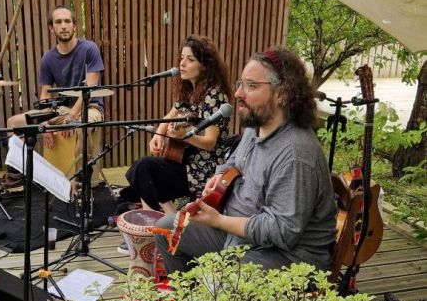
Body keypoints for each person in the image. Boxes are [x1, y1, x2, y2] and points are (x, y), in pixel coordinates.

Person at [155, 46, 337, 274]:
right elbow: (235, 162)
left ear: (282, 93)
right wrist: (219, 177)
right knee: (167, 229)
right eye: (240, 83)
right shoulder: (256, 127)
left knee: (223, 276)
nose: (238, 93)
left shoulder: (296, 154)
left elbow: (283, 231)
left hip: (287, 255)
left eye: (251, 85)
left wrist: (219, 221)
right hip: (239, 233)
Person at [121, 35, 233, 218]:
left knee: (143, 168)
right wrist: (158, 135)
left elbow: (210, 142)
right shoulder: (188, 91)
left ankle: (164, 221)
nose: (182, 64)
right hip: (182, 163)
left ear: (205, 65)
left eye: (190, 60)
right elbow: (169, 117)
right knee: (140, 169)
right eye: (182, 58)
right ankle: (160, 222)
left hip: (203, 171)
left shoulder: (215, 95)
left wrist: (186, 135)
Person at [0, 6, 105, 190]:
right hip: (61, 108)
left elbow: (90, 88)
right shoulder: (48, 58)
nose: (63, 26)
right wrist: (45, 123)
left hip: (90, 106)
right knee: (13, 122)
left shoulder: (89, 49)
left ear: (74, 26)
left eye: (67, 21)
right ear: (51, 28)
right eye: (58, 22)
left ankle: (79, 182)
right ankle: (18, 178)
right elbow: (45, 95)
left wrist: (71, 116)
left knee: (80, 128)